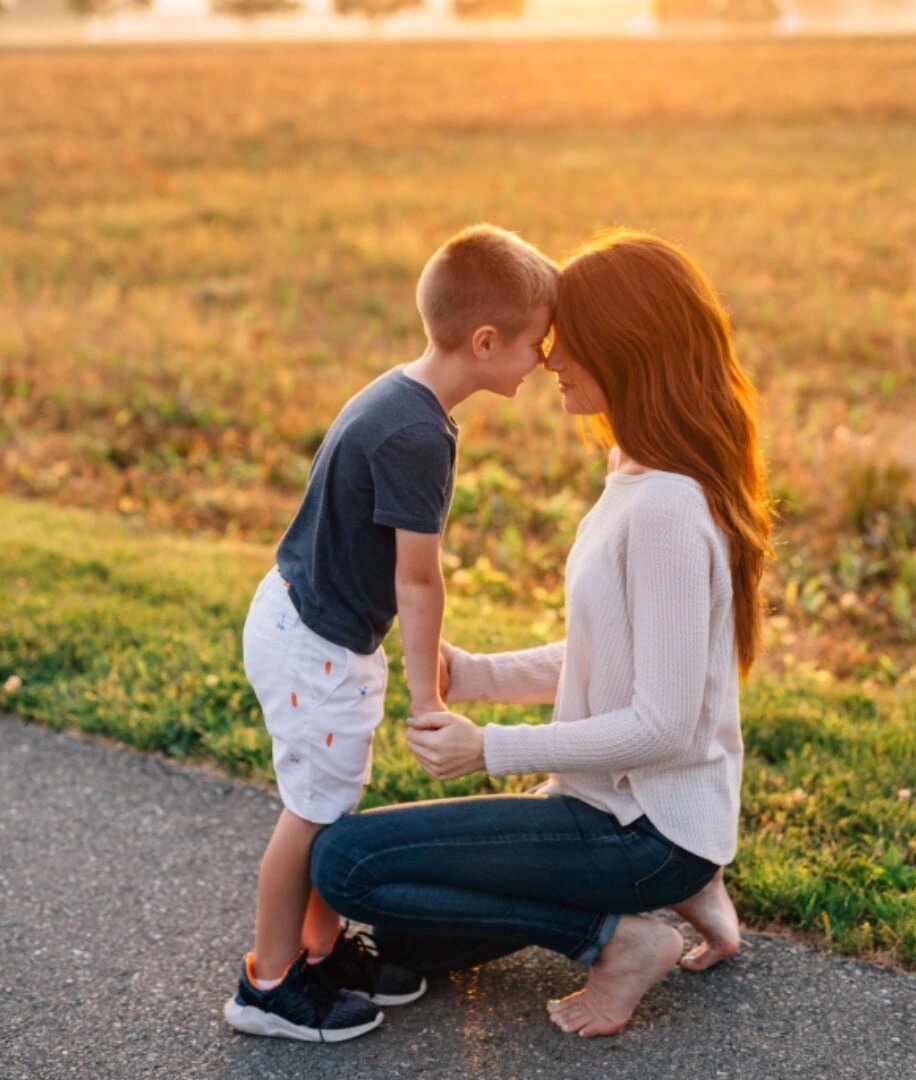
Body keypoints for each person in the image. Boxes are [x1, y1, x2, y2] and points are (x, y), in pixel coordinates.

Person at [308, 229, 772, 1038]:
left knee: (348, 866)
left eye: (568, 340)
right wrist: (476, 672)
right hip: (637, 816)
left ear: (627, 351)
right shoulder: (638, 469)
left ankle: (620, 937)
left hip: (635, 828)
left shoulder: (664, 507)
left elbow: (661, 726)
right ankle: (694, 887)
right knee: (412, 942)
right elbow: (609, 660)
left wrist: (489, 748)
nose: (549, 357)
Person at [223, 224, 558, 1042]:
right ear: (485, 342)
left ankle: (318, 951)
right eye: (535, 345)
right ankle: (269, 985)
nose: (544, 360)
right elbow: (418, 579)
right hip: (317, 642)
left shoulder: (400, 394)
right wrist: (425, 696)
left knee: (330, 803)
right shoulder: (418, 434)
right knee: (311, 812)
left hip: (307, 618)